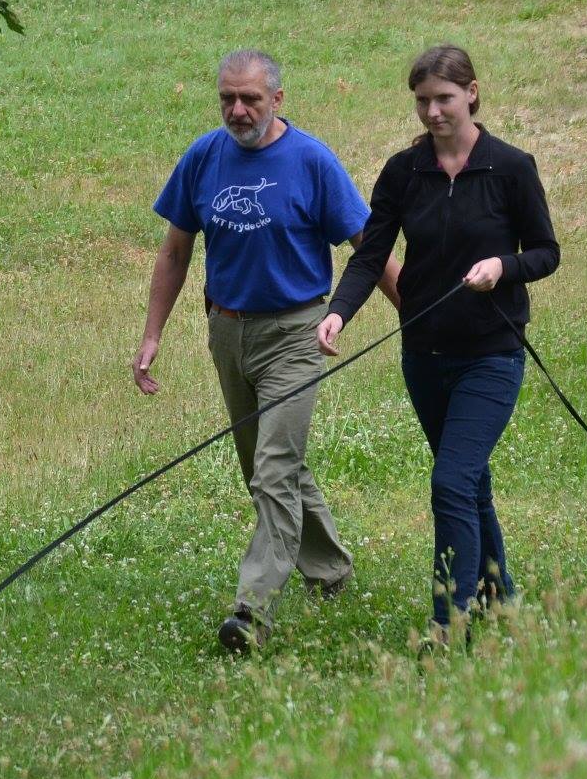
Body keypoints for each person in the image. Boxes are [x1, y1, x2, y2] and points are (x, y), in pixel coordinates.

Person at [136, 49, 400, 653]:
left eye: (250, 98)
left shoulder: (310, 160)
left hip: (297, 334)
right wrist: (153, 334)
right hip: (228, 332)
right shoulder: (204, 157)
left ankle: (251, 612)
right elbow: (175, 252)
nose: (237, 109)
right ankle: (330, 570)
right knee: (265, 463)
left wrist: (414, 311)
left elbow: (370, 245)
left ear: (277, 99)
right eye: (227, 98)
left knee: (274, 469)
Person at [316, 45, 559, 644]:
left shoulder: (510, 167)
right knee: (468, 481)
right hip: (423, 353)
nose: (432, 112)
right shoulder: (404, 172)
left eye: (444, 99)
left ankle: (448, 622)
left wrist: (503, 266)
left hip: (492, 353)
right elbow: (371, 254)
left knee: (451, 481)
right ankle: (502, 598)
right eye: (422, 101)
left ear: (472, 93)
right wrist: (338, 314)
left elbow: (546, 253)